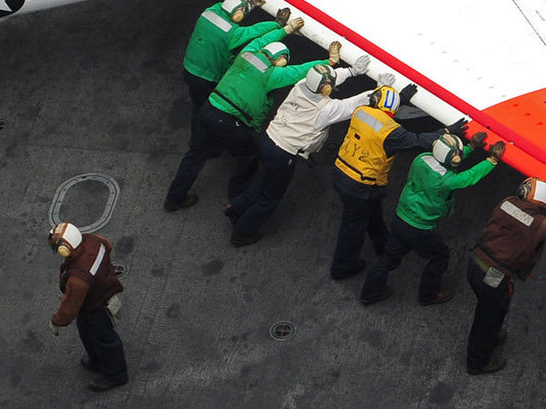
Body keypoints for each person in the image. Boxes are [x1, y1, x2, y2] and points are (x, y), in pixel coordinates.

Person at [163, 28, 328, 212]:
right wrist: (329, 62)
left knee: (194, 156)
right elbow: (300, 71)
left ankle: (174, 198)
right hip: (229, 121)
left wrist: (284, 29)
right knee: (249, 156)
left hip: (209, 108)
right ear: (280, 60)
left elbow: (260, 39)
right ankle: (236, 201)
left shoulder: (246, 53)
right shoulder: (273, 74)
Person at [223, 57, 373, 246]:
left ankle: (235, 207)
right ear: (325, 89)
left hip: (269, 139)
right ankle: (242, 233)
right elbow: (351, 105)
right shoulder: (326, 109)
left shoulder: (301, 85)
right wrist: (376, 93)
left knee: (268, 181)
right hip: (284, 153)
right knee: (271, 197)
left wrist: (352, 71)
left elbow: (327, 80)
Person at [360, 128, 505, 306]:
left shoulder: (421, 159)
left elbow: (447, 160)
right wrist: (492, 160)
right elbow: (469, 176)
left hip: (401, 218)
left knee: (388, 259)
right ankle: (428, 296)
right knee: (440, 256)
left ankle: (369, 293)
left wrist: (471, 147)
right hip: (421, 228)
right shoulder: (446, 181)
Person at [466, 178, 546, 374]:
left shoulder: (508, 201)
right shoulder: (541, 225)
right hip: (494, 277)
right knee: (487, 317)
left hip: (475, 263)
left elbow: (537, 205)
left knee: (492, 308)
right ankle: (477, 362)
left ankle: (492, 334)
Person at [327, 82, 427, 280]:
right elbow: (419, 140)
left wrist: (400, 99)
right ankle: (342, 266)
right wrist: (449, 132)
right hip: (361, 185)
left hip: (344, 174)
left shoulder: (360, 112)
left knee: (372, 212)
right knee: (353, 227)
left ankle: (382, 244)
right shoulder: (393, 132)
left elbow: (379, 116)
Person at [46, 221, 128, 392]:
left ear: (65, 249)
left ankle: (116, 375)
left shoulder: (78, 279)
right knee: (87, 333)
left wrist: (56, 321)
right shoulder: (92, 241)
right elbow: (108, 245)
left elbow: (70, 307)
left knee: (105, 340)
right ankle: (96, 360)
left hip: (95, 307)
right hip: (99, 296)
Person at [181, 0, 282, 114]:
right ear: (237, 13)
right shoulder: (232, 34)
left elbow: (229, 9)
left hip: (189, 70)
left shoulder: (209, 12)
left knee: (197, 104)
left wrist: (250, 4)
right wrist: (276, 24)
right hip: (206, 78)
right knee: (209, 108)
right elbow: (254, 31)